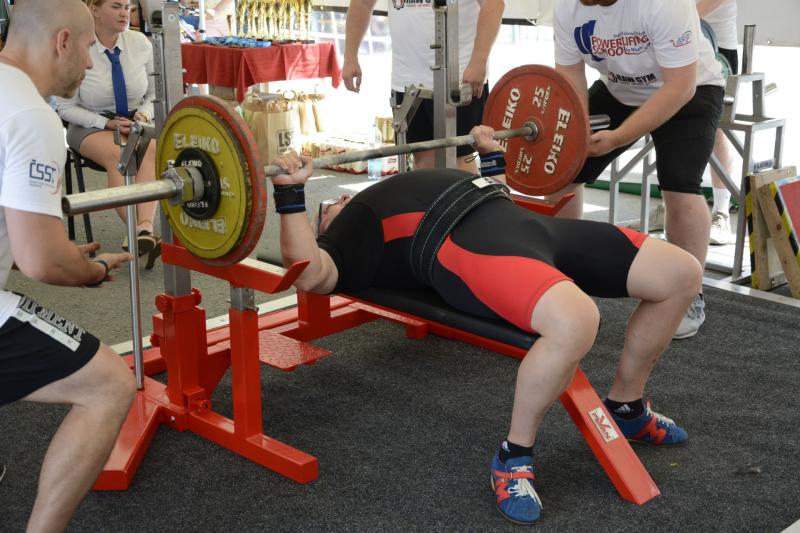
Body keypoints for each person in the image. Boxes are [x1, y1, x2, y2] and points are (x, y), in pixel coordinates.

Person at [268, 124, 702, 525]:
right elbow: (309, 274)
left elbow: (498, 194)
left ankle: (626, 408)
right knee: (576, 320)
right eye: (325, 208)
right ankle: (514, 457)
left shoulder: (372, 200)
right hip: (463, 246)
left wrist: (488, 155)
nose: (338, 202)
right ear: (322, 228)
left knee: (682, 273)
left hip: (520, 222)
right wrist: (290, 195)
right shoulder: (349, 240)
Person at [1, 0, 137, 531]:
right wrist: (90, 271)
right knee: (109, 385)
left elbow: (22, 239)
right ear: (61, 41)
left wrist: (47, 247)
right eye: (85, 49)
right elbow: (42, 262)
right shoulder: (32, 115)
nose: (87, 64)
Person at [551, 0, 725, 340]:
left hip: (690, 90)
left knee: (679, 185)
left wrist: (617, 137)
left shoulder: (663, 4)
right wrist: (579, 127)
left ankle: (689, 295)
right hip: (619, 92)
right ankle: (560, 280)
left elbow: (679, 87)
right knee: (563, 171)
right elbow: (570, 73)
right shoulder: (568, 7)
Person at [56, 0, 162, 269]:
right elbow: (66, 108)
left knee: (150, 147)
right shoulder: (76, 46)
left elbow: (154, 93)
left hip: (135, 121)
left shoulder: (140, 43)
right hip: (90, 124)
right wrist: (106, 124)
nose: (125, 13)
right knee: (120, 152)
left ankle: (144, 230)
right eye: (116, 6)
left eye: (127, 7)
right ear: (93, 9)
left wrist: (144, 114)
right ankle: (140, 232)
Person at [342, 0, 504, 173]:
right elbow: (362, 4)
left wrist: (479, 61)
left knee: (459, 160)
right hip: (407, 81)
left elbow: (494, 5)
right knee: (422, 161)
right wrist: (350, 57)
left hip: (457, 80)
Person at [697, 0, 739, 245]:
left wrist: (676, 20)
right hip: (674, 41)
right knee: (667, 119)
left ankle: (721, 213)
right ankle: (670, 206)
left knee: (718, 129)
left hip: (716, 46)